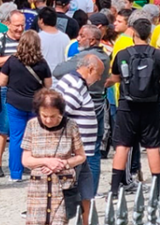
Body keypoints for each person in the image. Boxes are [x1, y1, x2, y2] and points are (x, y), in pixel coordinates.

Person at [107, 18, 160, 197]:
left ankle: (115, 187)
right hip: (152, 105)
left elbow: (115, 77)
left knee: (122, 145)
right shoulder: (157, 55)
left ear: (133, 33)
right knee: (153, 145)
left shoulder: (123, 54)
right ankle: (157, 186)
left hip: (127, 104)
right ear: (150, 34)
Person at [22, 89, 87, 225]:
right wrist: (46, 161)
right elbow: (26, 159)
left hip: (63, 186)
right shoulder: (32, 125)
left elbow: (81, 156)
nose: (48, 120)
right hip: (38, 188)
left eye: (53, 116)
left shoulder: (71, 126)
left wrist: (64, 163)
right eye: (44, 116)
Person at [56, 54, 105, 225]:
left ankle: (87, 221)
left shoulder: (73, 80)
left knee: (85, 189)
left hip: (81, 151)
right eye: (98, 74)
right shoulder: (76, 85)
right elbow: (61, 114)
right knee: (71, 190)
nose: (99, 79)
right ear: (90, 69)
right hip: (74, 150)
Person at [0, 30, 52, 182]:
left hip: (15, 103)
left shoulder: (12, 61)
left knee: (16, 138)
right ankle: (38, 170)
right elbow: (48, 85)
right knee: (36, 138)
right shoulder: (42, 63)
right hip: (35, 104)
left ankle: (16, 174)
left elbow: (1, 81)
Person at [0, 9, 25, 178]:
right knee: (3, 127)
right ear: (8, 24)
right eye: (17, 25)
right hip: (6, 87)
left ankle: (21, 161)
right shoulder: (1, 38)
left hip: (24, 88)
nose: (20, 29)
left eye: (22, 25)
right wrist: (13, 58)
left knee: (23, 128)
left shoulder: (26, 38)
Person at [36, 7, 72, 78]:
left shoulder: (37, 38)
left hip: (43, 78)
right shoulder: (65, 38)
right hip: (61, 79)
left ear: (41, 20)